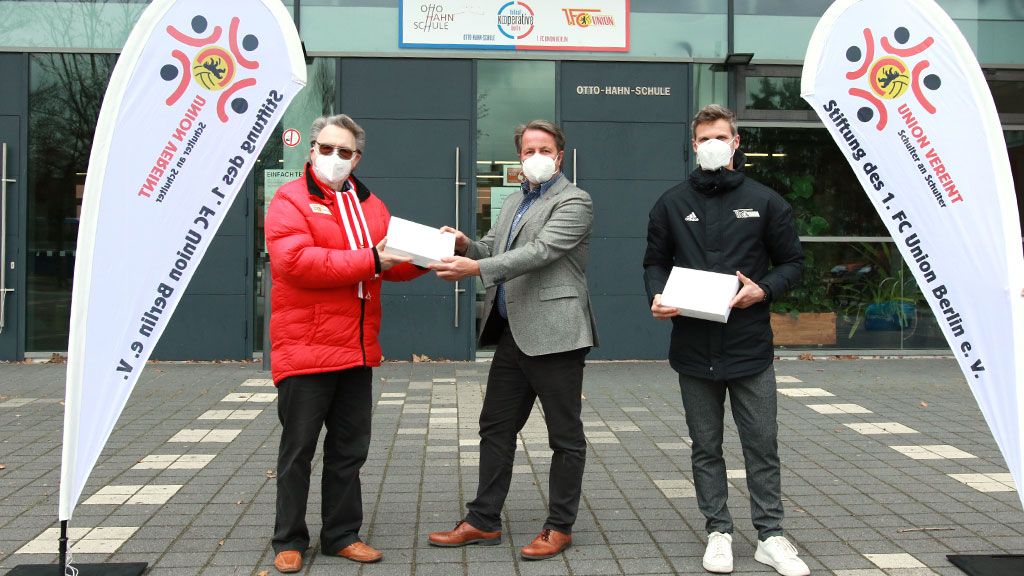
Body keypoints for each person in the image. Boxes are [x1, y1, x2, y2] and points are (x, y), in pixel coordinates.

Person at [643, 104, 809, 576]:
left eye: (721, 136)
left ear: (735, 142)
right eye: (703, 138)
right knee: (705, 445)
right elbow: (654, 261)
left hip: (750, 347)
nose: (712, 144)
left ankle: (771, 536)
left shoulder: (767, 200)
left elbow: (792, 263)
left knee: (762, 444)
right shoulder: (671, 203)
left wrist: (764, 289)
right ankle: (718, 531)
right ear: (694, 146)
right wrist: (656, 294)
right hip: (694, 348)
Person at [426, 119, 598, 560]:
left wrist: (477, 270)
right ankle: (483, 521)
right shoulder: (511, 202)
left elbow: (540, 253)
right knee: (495, 427)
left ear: (559, 155)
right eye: (527, 150)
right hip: (513, 335)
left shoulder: (575, 201)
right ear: (518, 157)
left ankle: (559, 525)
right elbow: (492, 248)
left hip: (557, 335)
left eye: (544, 149)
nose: (535, 156)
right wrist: (467, 245)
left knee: (564, 436)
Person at [264, 114, 425, 573]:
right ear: (311, 149)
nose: (335, 158)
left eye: (346, 151)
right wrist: (371, 258)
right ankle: (288, 539)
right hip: (306, 348)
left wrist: (430, 256)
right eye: (327, 148)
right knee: (298, 450)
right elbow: (295, 262)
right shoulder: (289, 199)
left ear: (358, 157)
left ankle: (341, 535)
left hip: (355, 350)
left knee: (350, 450)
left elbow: (390, 263)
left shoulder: (369, 204)